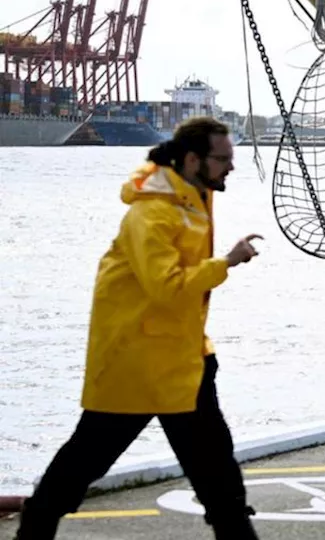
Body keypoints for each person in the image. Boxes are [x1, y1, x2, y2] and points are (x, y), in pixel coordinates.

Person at [16, 117, 262, 540]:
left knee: (215, 466)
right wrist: (225, 263)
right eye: (223, 159)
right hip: (138, 362)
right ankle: (34, 529)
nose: (230, 168)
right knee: (86, 459)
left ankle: (236, 532)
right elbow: (165, 287)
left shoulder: (190, 197)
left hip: (183, 358)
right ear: (192, 159)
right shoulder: (153, 214)